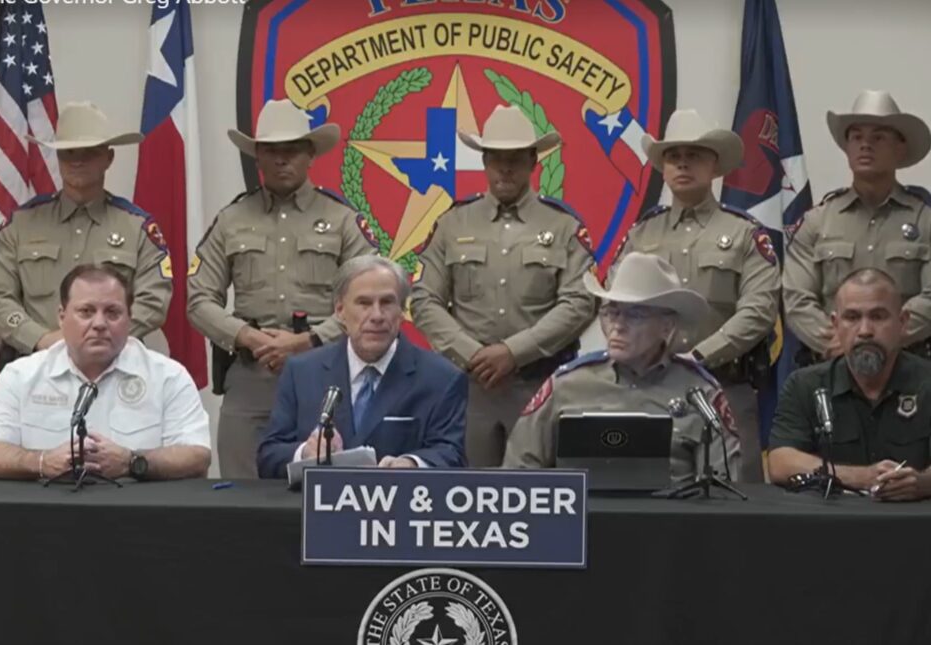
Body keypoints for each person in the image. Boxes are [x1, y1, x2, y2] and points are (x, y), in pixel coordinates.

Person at [188, 99, 377, 478]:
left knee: (325, 490)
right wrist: (247, 337)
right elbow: (197, 299)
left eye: (291, 150)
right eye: (271, 151)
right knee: (239, 492)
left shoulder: (342, 220)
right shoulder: (231, 219)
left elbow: (372, 301)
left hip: (325, 372)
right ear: (257, 156)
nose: (281, 159)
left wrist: (308, 342)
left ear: (310, 154)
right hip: (249, 375)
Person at [410, 104, 597, 467]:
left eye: (515, 158)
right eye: (496, 158)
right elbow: (424, 299)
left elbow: (580, 303)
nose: (505, 168)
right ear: (484, 162)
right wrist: (473, 356)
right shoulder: (452, 223)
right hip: (469, 388)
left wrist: (513, 353)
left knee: (540, 497)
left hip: (539, 386)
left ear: (533, 161)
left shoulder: (564, 227)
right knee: (466, 498)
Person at [611, 109, 780, 482]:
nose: (683, 163)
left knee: (737, 500)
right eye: (674, 156)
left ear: (715, 165)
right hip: (647, 390)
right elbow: (616, 303)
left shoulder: (744, 234)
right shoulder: (641, 234)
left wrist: (700, 357)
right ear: (663, 167)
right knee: (646, 493)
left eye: (695, 154)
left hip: (724, 386)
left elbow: (759, 310)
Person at [503, 252, 740, 485]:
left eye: (634, 315)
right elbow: (519, 474)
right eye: (611, 313)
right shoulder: (567, 384)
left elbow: (724, 490)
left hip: (670, 520)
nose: (617, 326)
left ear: (666, 326)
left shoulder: (700, 393)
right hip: (583, 520)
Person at [0, 265, 211, 481]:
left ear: (129, 319)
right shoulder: (20, 376)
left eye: (112, 313)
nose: (99, 323)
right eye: (86, 311)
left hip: (138, 515)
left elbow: (197, 455)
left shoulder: (168, 376)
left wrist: (132, 462)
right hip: (46, 515)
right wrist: (42, 462)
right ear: (62, 317)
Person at [0, 102, 173, 366]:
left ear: (109, 157)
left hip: (114, 368)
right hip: (34, 366)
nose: (77, 161)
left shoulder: (137, 228)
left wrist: (99, 341)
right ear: (57, 158)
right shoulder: (20, 226)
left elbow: (153, 300)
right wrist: (40, 339)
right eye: (68, 153)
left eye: (89, 152)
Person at [257, 256, 466, 477]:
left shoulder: (441, 378)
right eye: (364, 303)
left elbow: (452, 454)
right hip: (319, 507)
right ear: (340, 311)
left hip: (399, 507)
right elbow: (269, 456)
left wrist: (412, 464)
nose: (376, 315)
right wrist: (305, 454)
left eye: (387, 303)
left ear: (402, 311)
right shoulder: (302, 372)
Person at [784, 90, 931, 361]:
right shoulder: (817, 221)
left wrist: (883, 339)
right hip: (833, 367)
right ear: (847, 148)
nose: (865, 145)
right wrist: (843, 342)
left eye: (878, 137)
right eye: (856, 137)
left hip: (911, 370)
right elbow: (797, 299)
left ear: (900, 149)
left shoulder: (926, 220)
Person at [768, 268, 931, 501]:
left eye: (878, 316)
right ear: (836, 324)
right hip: (831, 528)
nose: (865, 331)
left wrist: (923, 483)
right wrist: (860, 476)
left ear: (902, 322)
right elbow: (780, 462)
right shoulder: (805, 385)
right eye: (852, 318)